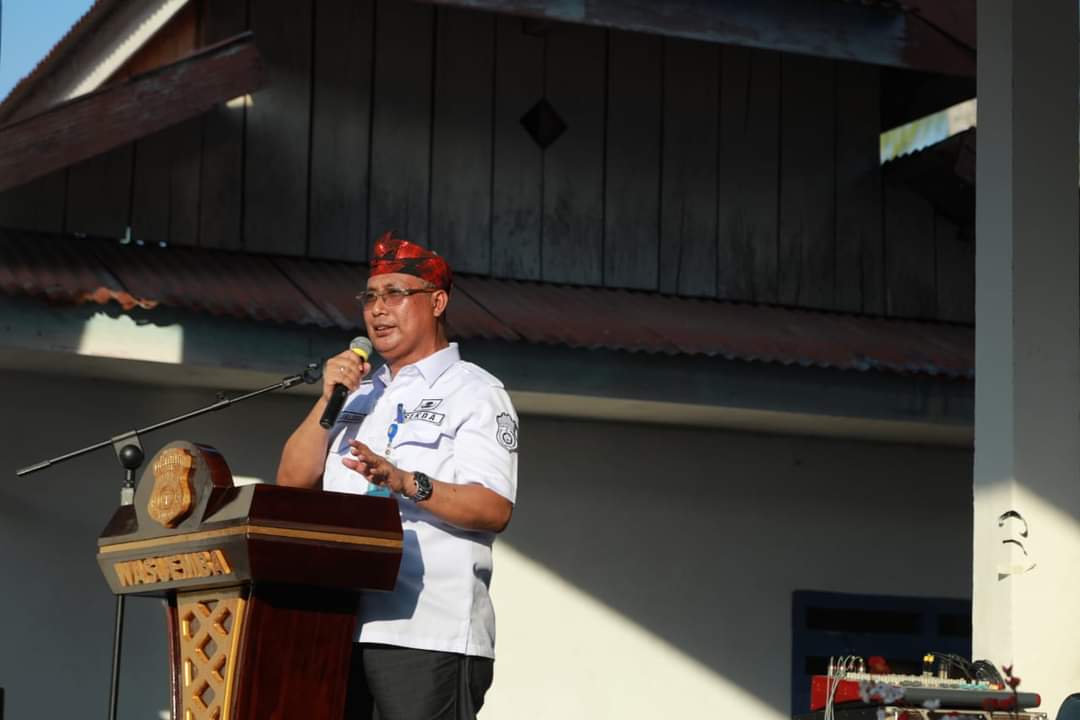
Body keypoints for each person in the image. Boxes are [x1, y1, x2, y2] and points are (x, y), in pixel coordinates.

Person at [277, 232, 518, 720]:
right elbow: (291, 484)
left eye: (394, 294)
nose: (377, 310)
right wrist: (328, 398)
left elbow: (493, 508)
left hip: (427, 631)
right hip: (339, 626)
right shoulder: (359, 392)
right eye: (370, 297)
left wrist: (407, 482)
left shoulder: (475, 392)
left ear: (437, 302)